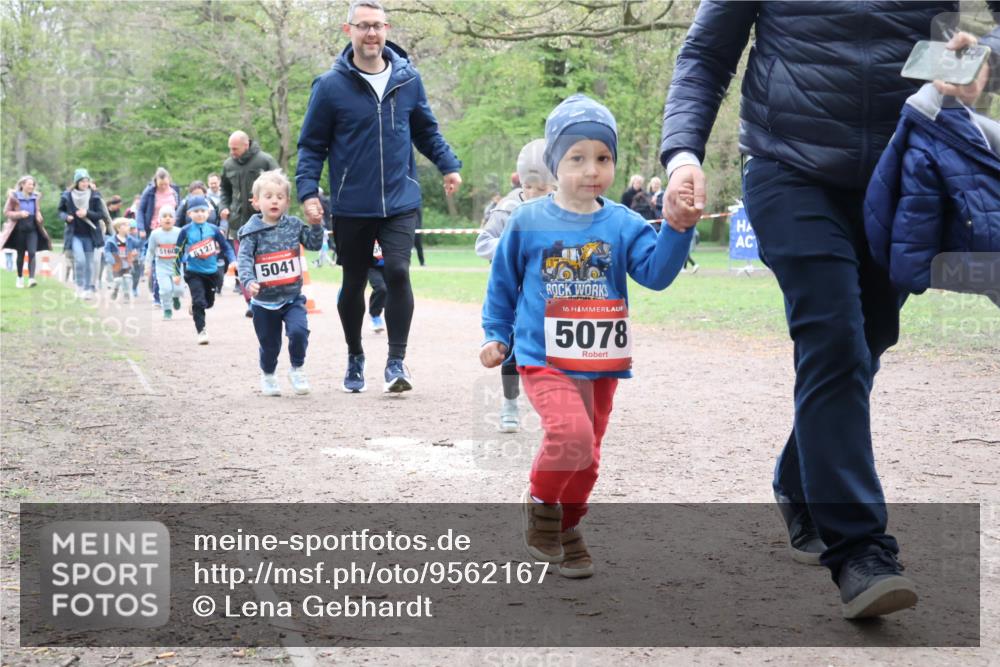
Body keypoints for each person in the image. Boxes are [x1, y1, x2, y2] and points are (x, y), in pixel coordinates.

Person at [659, 2, 1000, 619]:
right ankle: (862, 551)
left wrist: (986, 55)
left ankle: (799, 483)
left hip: (906, 168)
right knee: (835, 338)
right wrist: (683, 154)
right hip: (789, 166)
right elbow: (706, 54)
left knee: (865, 344)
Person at [481, 94, 694, 578]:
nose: (591, 169)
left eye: (603, 158)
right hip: (544, 357)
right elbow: (503, 282)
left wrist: (678, 230)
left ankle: (569, 525)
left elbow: (656, 274)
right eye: (577, 158)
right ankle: (540, 504)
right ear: (555, 164)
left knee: (589, 456)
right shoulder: (528, 221)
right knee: (570, 435)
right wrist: (495, 334)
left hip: (601, 360)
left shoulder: (624, 223)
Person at [296, 0, 462, 394]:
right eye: (363, 26)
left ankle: (396, 361)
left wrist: (448, 165)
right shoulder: (330, 86)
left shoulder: (408, 79)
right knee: (353, 282)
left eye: (378, 26)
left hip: (401, 199)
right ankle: (355, 355)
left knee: (398, 272)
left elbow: (426, 131)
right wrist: (307, 192)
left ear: (387, 29)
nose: (371, 34)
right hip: (352, 203)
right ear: (348, 30)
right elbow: (311, 146)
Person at [475, 138, 557, 433]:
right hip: (514, 294)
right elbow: (483, 243)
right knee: (510, 350)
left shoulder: (562, 208)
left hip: (549, 296)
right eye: (530, 187)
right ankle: (510, 403)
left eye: (544, 188)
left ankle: (559, 405)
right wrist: (515, 246)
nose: (536, 194)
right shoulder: (509, 207)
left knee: (552, 350)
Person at [237, 170, 325, 396]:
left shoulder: (294, 226)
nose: (274, 200)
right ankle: (268, 374)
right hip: (264, 302)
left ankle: (297, 368)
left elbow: (314, 244)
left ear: (287, 202)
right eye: (268, 196)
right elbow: (244, 259)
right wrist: (249, 280)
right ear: (256, 202)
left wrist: (316, 225)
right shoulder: (250, 232)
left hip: (292, 297)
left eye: (279, 196)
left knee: (299, 332)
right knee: (270, 345)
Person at [220, 130, 279, 307]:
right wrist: (223, 207)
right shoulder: (228, 164)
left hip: (264, 222)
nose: (232, 152)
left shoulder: (265, 160)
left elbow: (281, 186)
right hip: (239, 223)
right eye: (230, 149)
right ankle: (251, 302)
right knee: (244, 261)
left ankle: (268, 296)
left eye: (235, 148)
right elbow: (225, 190)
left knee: (264, 261)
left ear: (246, 145)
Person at [174, 195, 236, 344]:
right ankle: (201, 331)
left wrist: (233, 260)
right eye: (196, 211)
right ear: (189, 214)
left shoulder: (214, 230)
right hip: (193, 272)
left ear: (208, 213)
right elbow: (178, 252)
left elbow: (226, 247)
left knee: (208, 303)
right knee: (200, 302)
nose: (200, 214)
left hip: (212, 273)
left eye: (203, 211)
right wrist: (176, 272)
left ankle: (195, 304)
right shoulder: (185, 231)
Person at [58, 169, 105, 298]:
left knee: (89, 262)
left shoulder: (95, 196)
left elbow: (100, 214)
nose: (85, 183)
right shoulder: (67, 195)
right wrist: (66, 217)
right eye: (82, 181)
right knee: (80, 260)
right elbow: (60, 211)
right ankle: (79, 285)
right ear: (76, 182)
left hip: (90, 235)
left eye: (87, 181)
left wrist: (87, 213)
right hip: (74, 234)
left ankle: (87, 289)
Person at [2, 176, 52, 288]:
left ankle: (31, 278)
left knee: (32, 253)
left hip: (32, 229)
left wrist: (39, 214)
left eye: (33, 184)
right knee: (20, 255)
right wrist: (19, 214)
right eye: (29, 184)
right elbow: (6, 212)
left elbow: (37, 210)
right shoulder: (14, 197)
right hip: (19, 229)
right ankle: (19, 278)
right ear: (22, 185)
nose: (32, 186)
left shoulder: (35, 197)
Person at [144, 206, 184, 320]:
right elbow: (150, 251)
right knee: (165, 290)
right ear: (159, 220)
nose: (168, 219)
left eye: (171, 216)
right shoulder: (155, 234)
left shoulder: (179, 232)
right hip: (161, 266)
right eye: (164, 216)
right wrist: (147, 267)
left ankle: (176, 297)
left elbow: (185, 247)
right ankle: (167, 310)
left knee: (179, 289)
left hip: (176, 266)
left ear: (175, 219)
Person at [103, 218, 142, 302]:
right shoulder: (111, 240)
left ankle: (126, 294)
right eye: (125, 225)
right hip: (117, 263)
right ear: (118, 228)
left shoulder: (130, 239)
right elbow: (107, 251)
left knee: (127, 279)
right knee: (118, 280)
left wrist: (143, 238)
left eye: (128, 225)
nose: (128, 227)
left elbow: (138, 244)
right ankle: (115, 290)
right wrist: (110, 259)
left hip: (127, 263)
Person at [368, 241, 387, 333]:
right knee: (381, 288)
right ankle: (375, 316)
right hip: (371, 266)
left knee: (393, 291)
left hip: (389, 266)